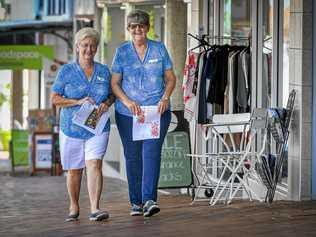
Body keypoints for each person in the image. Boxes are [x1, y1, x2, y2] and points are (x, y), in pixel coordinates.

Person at [111, 10, 176, 217]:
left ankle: (149, 200)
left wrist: (165, 97)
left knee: (151, 154)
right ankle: (136, 202)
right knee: (132, 156)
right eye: (133, 26)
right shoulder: (122, 52)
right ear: (129, 29)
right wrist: (128, 102)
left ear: (148, 28)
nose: (137, 29)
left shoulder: (159, 49)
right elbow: (115, 83)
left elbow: (171, 78)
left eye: (141, 25)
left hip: (156, 112)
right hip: (127, 114)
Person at [51, 27, 115, 222]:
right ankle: (74, 204)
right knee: (75, 169)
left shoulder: (104, 71)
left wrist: (107, 103)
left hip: (97, 126)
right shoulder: (66, 71)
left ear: (96, 49)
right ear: (77, 47)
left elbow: (112, 94)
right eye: (85, 45)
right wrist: (76, 102)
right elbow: (55, 98)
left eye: (92, 46)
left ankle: (95, 208)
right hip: (71, 128)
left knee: (94, 164)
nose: (89, 49)